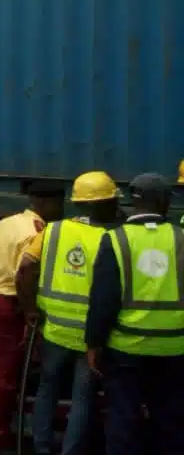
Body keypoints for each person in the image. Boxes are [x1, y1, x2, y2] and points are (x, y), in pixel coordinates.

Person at [15, 171, 120, 455]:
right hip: (91, 336)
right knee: (82, 398)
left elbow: (25, 269)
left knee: (48, 390)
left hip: (54, 330)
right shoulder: (113, 237)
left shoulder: (52, 230)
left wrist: (30, 309)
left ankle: (41, 446)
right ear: (105, 203)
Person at [85, 173, 184, 455]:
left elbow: (103, 299)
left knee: (123, 420)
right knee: (172, 421)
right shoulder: (182, 238)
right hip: (175, 348)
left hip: (127, 349)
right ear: (164, 202)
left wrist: (94, 343)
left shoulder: (115, 240)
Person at [0, 180, 66, 455]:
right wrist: (31, 312)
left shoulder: (7, 222)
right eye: (59, 203)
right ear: (46, 203)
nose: (61, 209)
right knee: (6, 376)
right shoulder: (36, 232)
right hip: (10, 305)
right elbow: (26, 274)